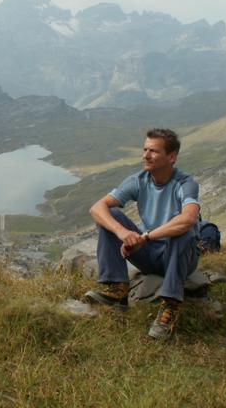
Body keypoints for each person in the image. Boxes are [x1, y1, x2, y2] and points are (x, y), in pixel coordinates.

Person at [84, 128, 200, 340]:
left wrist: (145, 237)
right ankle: (118, 288)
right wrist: (122, 232)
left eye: (153, 151)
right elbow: (96, 208)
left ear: (172, 157)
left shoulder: (185, 183)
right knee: (111, 215)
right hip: (149, 254)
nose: (145, 156)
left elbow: (189, 219)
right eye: (145, 149)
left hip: (178, 256)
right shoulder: (138, 180)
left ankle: (170, 306)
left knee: (183, 231)